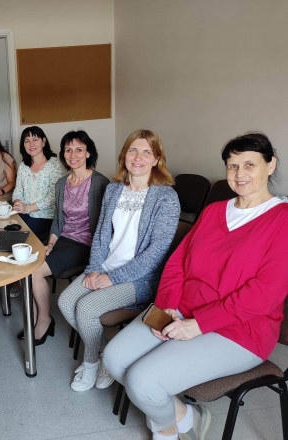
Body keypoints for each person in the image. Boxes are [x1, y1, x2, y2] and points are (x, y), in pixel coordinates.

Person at [102, 132, 288, 440]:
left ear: (270, 165)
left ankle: (166, 433)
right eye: (232, 165)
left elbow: (265, 293)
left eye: (249, 164)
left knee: (143, 382)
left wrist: (199, 324)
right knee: (113, 358)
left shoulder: (282, 220)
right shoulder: (214, 211)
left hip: (240, 330)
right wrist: (167, 306)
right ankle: (186, 416)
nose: (239, 174)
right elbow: (177, 264)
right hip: (179, 310)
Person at [58, 129, 180, 392]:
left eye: (147, 152)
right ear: (124, 155)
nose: (138, 157)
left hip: (139, 279)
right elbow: (102, 235)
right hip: (105, 266)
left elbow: (156, 253)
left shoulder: (166, 197)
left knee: (86, 308)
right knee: (65, 301)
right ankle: (105, 356)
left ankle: (91, 364)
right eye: (133, 150)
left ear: (157, 159)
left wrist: (112, 278)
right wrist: (94, 269)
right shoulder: (113, 190)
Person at [17, 130, 109, 345]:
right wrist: (50, 244)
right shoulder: (61, 184)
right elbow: (59, 221)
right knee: (22, 265)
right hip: (63, 239)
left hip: (85, 244)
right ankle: (33, 316)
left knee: (35, 272)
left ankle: (44, 320)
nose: (73, 155)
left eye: (79, 150)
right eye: (68, 150)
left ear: (88, 153)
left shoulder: (99, 183)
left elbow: (105, 227)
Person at [12, 126, 64, 237]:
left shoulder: (54, 165)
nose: (31, 144)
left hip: (45, 216)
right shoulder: (23, 165)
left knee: (20, 236)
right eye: (27, 141)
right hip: (23, 212)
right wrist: (18, 202)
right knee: (5, 229)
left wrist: (27, 209)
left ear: (43, 142)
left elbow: (53, 196)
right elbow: (18, 190)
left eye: (35, 139)